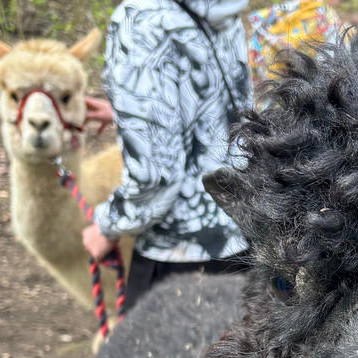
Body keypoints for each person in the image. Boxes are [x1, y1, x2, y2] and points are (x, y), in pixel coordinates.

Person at [81, 0, 252, 312]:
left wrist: (107, 226)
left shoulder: (140, 19)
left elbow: (155, 178)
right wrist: (127, 113)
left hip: (177, 265)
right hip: (244, 246)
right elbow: (224, 111)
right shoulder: (220, 6)